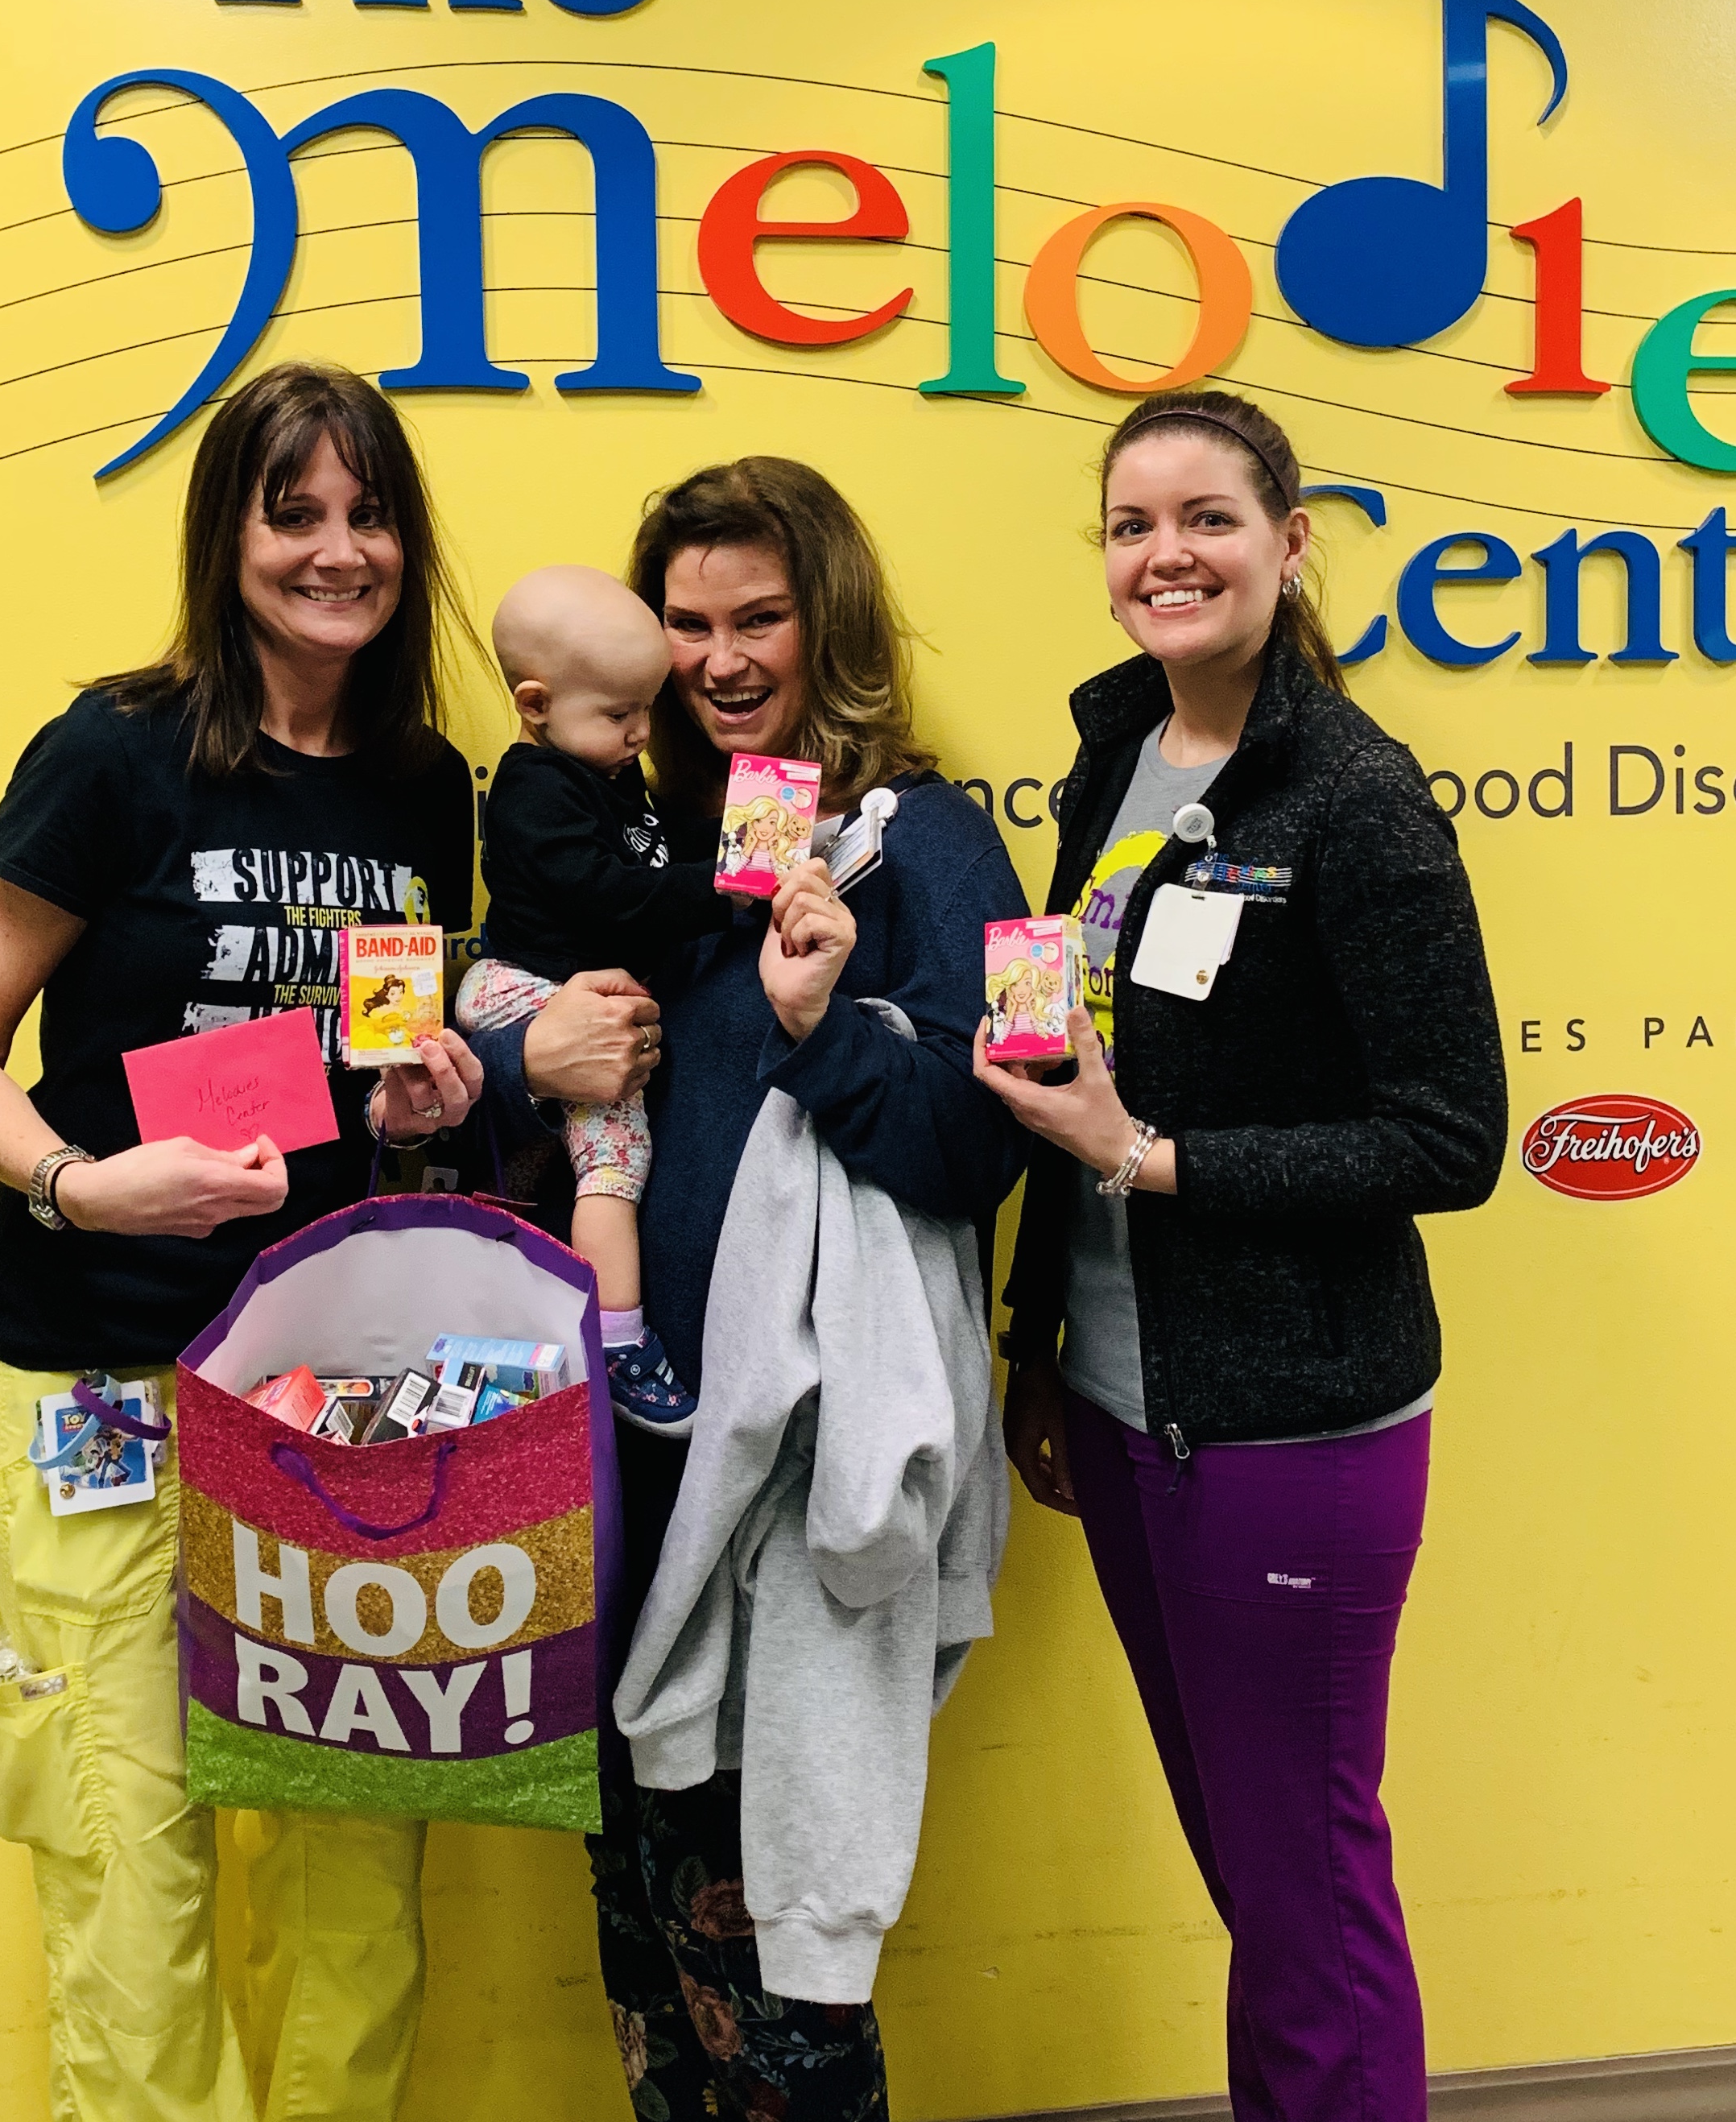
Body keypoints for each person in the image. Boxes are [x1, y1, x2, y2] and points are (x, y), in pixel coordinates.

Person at [0, 362, 655, 2122]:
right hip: (94, 1377)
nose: (337, 549)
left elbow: (355, 1072)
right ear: (225, 530)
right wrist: (83, 1182)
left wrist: (416, 1108)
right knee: (128, 1874)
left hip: (337, 1392)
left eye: (368, 512)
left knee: (353, 1893)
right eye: (293, 510)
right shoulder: (110, 752)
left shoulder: (422, 785)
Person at [462, 456, 1025, 2122]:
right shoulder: (612, 829)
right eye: (684, 622)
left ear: (824, 619)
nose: (716, 657)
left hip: (778, 1490)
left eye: (755, 618)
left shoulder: (917, 841)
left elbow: (977, 1150)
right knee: (641, 1945)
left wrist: (816, 1029)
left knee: (774, 1985)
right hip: (608, 1467)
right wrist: (510, 1052)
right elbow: (496, 1036)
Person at [974, 387, 1508, 2122]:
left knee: (1305, 1899)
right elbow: (1073, 1062)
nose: (1164, 554)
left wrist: (1150, 1156)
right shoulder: (1122, 752)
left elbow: (1446, 1138)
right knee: (1251, 1874)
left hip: (1289, 1428)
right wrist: (1039, 1338)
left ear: (1288, 541)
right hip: (1131, 1407)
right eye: (1130, 526)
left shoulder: (1355, 801)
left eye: (1205, 517)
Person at [455, 563, 735, 1433]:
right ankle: (617, 1340)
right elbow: (613, 895)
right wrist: (724, 884)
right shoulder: (537, 788)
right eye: (620, 716)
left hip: (556, 990)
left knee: (571, 1164)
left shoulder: (608, 774)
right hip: (519, 990)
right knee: (618, 1155)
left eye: (648, 710)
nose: (642, 735)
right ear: (536, 705)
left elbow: (658, 851)